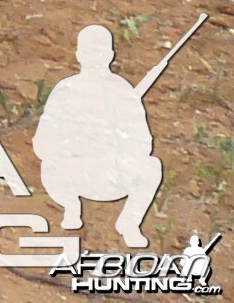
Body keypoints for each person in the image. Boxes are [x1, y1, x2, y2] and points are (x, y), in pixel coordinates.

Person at [35, 24, 167, 246]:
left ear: (110, 55)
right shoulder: (65, 90)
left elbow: (143, 141)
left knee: (151, 167)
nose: (95, 56)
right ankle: (71, 207)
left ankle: (129, 223)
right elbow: (43, 142)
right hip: (74, 171)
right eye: (89, 50)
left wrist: (117, 143)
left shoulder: (123, 92)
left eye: (100, 51)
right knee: (51, 166)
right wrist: (74, 144)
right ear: (79, 55)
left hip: (111, 172)